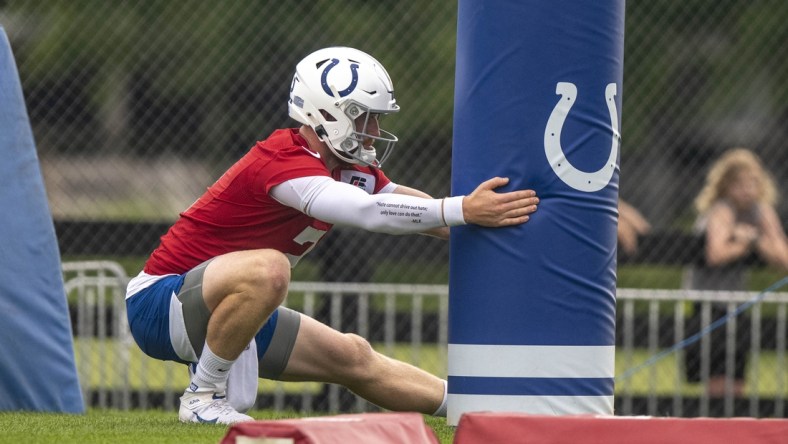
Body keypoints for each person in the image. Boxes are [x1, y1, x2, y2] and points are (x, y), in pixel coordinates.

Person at [124, 47, 540, 425]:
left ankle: (479, 409)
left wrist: (480, 220)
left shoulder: (346, 167)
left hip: (228, 302)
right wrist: (462, 208)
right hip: (160, 302)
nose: (374, 128)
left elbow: (411, 206)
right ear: (327, 113)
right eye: (365, 116)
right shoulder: (282, 158)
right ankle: (201, 397)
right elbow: (365, 211)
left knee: (353, 356)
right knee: (270, 267)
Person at [684, 148, 788, 398]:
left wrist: (757, 240)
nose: (748, 190)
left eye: (753, 183)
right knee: (717, 384)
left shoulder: (759, 211)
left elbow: (782, 256)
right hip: (709, 306)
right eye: (740, 184)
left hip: (736, 305)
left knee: (737, 383)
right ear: (726, 185)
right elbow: (716, 254)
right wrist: (745, 243)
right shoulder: (722, 209)